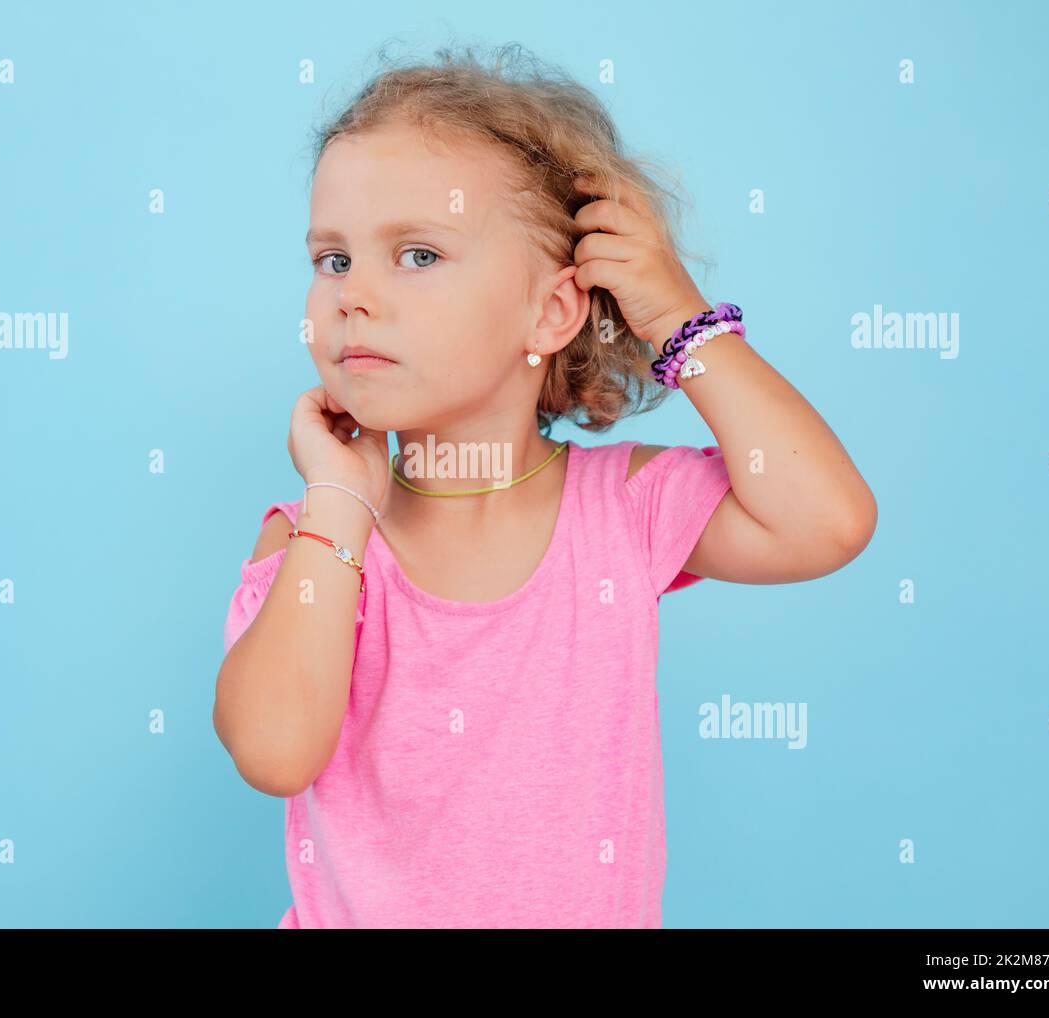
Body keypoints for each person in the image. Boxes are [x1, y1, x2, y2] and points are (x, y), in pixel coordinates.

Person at [213, 43, 877, 929]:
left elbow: (826, 521)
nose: (352, 295)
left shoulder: (625, 511)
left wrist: (683, 324)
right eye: (332, 259)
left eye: (415, 254)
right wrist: (339, 499)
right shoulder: (315, 540)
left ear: (552, 311)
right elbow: (273, 753)